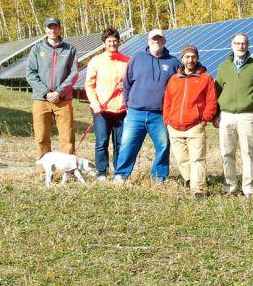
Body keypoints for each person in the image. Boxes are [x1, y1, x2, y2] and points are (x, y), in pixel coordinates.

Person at [113, 29, 182, 184]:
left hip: (159, 114)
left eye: (159, 39)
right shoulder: (137, 58)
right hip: (135, 112)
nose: (156, 41)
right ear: (148, 41)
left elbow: (182, 83)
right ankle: (121, 174)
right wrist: (128, 105)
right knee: (128, 145)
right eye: (153, 39)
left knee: (163, 145)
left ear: (164, 41)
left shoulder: (173, 62)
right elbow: (127, 83)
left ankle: (158, 176)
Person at [163, 46, 218, 198]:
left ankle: (198, 189)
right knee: (181, 159)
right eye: (187, 57)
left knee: (197, 158)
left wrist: (204, 119)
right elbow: (167, 101)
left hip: (195, 125)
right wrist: (167, 119)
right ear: (182, 59)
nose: (190, 60)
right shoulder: (174, 79)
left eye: (193, 57)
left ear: (197, 58)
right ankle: (189, 179)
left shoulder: (205, 78)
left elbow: (211, 101)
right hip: (174, 126)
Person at [215, 33, 253, 197]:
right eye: (237, 43)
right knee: (227, 152)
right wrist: (216, 114)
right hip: (226, 115)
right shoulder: (223, 66)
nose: (240, 46)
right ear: (232, 45)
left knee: (249, 152)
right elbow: (217, 90)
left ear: (248, 45)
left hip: (247, 115)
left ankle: (250, 189)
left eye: (243, 43)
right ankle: (230, 186)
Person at [26, 17, 78, 159]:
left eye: (55, 27)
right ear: (45, 29)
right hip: (41, 100)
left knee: (67, 137)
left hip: (63, 100)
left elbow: (73, 74)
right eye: (50, 27)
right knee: (41, 137)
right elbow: (30, 73)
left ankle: (68, 171)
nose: (52, 30)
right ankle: (44, 171)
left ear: (59, 28)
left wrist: (59, 93)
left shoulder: (70, 50)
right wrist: (46, 93)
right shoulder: (37, 49)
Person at [84, 27, 129, 181]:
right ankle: (102, 172)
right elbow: (89, 85)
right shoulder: (96, 61)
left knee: (120, 143)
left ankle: (119, 172)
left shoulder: (127, 61)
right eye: (109, 41)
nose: (112, 44)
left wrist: (127, 86)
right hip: (101, 110)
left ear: (119, 42)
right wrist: (94, 103)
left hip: (121, 110)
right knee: (102, 142)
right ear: (104, 43)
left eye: (115, 41)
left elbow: (132, 82)